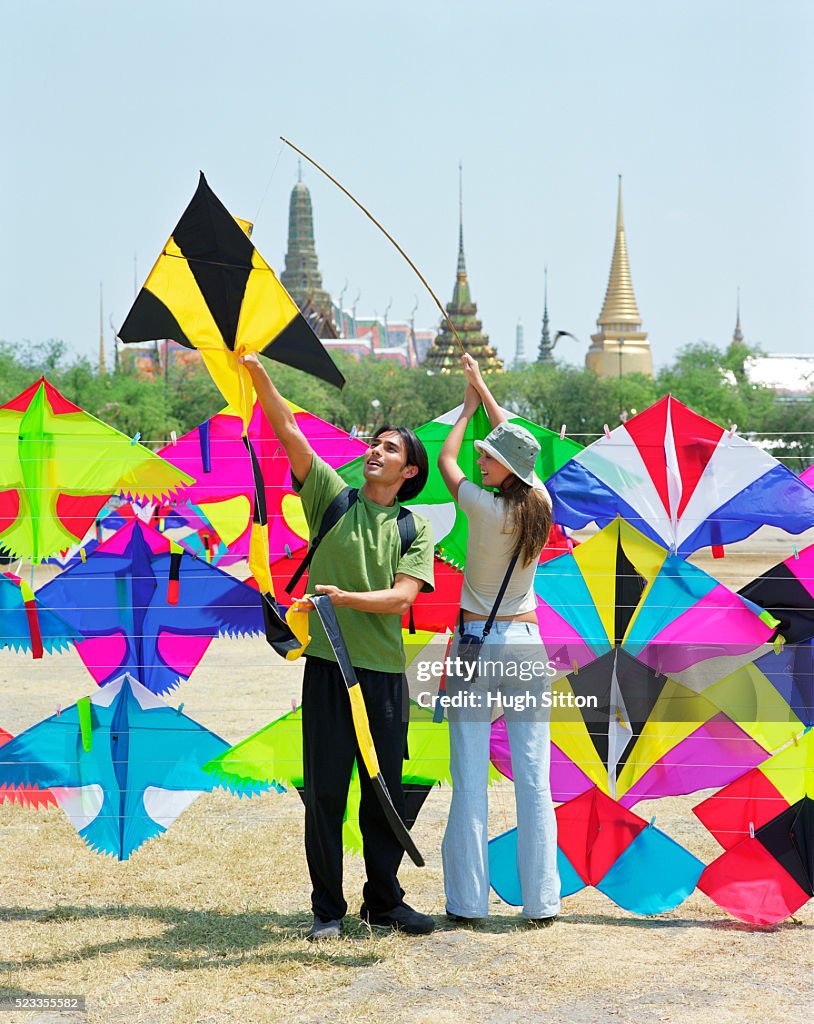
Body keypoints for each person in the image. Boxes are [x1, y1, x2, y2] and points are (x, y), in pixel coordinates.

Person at [240, 353, 436, 941]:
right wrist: (256, 372)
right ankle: (327, 908)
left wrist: (343, 599)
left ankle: (384, 901)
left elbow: (403, 598)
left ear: (408, 473)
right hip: (327, 671)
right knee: (324, 792)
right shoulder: (331, 496)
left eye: (391, 449)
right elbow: (289, 429)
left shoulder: (413, 527)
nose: (376, 451)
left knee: (382, 792)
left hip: (379, 676)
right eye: (374, 444)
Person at [437, 352, 560, 925]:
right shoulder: (540, 505)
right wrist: (484, 386)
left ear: (504, 469)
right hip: (526, 645)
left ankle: (468, 902)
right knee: (535, 778)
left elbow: (445, 459)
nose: (481, 460)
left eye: (489, 457)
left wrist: (465, 409)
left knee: (469, 776)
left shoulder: (482, 506)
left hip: (473, 647)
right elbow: (512, 439)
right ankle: (542, 902)